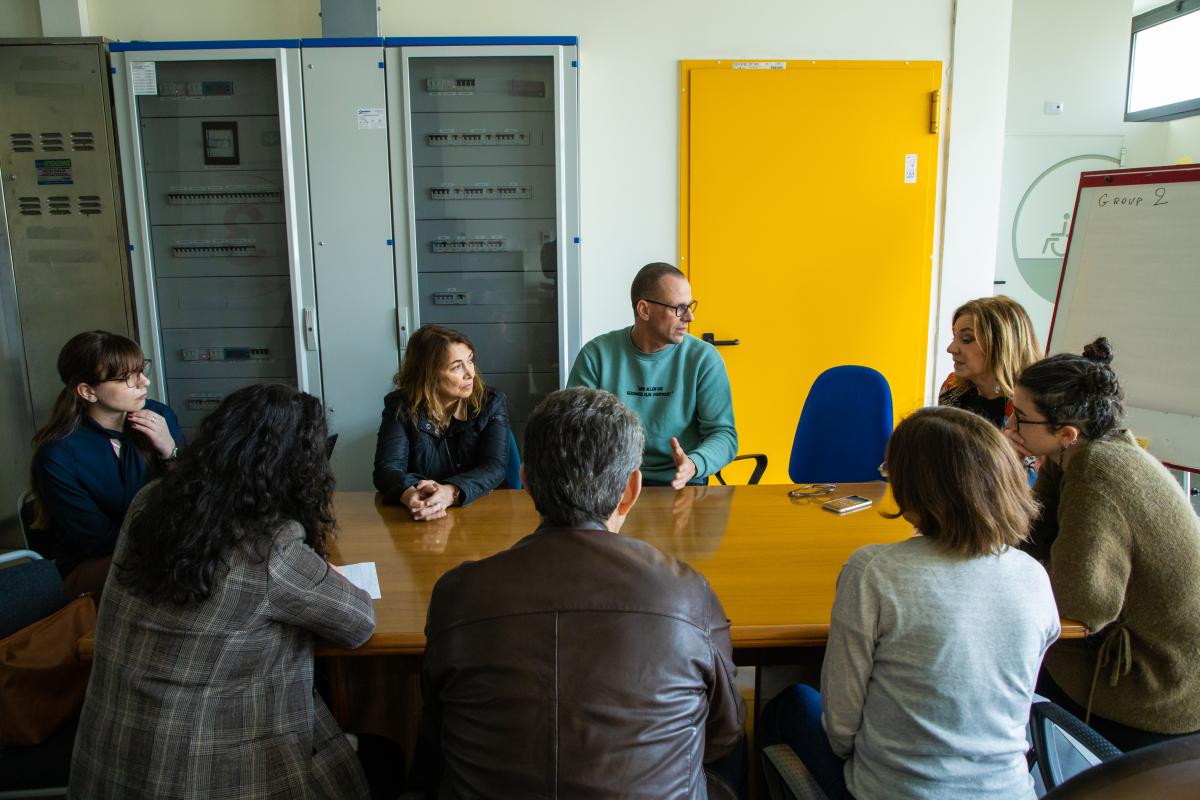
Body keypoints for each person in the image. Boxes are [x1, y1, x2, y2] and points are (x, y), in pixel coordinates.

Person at [413, 387, 746, 797]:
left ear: (526, 483)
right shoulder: (688, 594)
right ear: (631, 490)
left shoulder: (457, 594)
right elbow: (724, 734)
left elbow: (437, 729)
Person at [69, 383, 376, 799]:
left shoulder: (150, 502)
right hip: (205, 773)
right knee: (381, 758)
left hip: (109, 760)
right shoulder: (270, 547)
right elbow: (357, 623)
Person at [760, 406, 1060, 800]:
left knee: (788, 704)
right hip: (1009, 790)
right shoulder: (1033, 576)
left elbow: (842, 731)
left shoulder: (874, 570)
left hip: (896, 790)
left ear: (913, 488)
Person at [1005, 337, 1200, 752]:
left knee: (989, 651)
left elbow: (1083, 606)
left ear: (1066, 432)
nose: (1010, 428)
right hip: (1169, 664)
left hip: (1157, 685)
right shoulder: (1086, 451)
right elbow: (1027, 536)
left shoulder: (1098, 475)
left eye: (1021, 418)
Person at [30, 330, 183, 596]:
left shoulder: (158, 415)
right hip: (96, 564)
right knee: (183, 568)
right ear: (88, 391)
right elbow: (99, 542)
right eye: (127, 378)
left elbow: (196, 493)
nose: (144, 381)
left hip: (166, 547)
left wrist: (171, 451)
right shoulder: (59, 455)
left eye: (141, 369)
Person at [567, 262, 737, 488]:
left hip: (682, 482)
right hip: (612, 485)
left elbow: (724, 434)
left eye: (690, 306)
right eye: (679, 308)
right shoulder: (596, 355)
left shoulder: (704, 358)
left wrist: (694, 464)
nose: (689, 317)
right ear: (644, 310)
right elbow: (572, 430)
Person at [373, 324, 509, 521]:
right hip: (419, 514)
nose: (470, 374)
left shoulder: (491, 402)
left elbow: (494, 466)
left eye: (470, 361)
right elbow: (387, 468)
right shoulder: (399, 405)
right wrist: (409, 492)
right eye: (456, 367)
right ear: (429, 375)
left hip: (477, 514)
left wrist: (451, 492)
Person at [940, 295, 1041, 428]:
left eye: (967, 339)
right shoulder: (951, 388)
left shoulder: (1032, 407)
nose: (951, 349)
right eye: (954, 338)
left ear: (1002, 345)